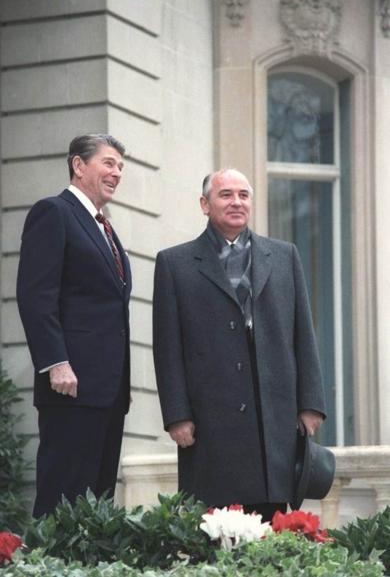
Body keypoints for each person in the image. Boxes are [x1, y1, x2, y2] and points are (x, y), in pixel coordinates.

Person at [152, 168, 326, 522]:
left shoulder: (284, 256)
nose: (236, 202)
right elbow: (167, 348)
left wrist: (311, 403)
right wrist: (176, 415)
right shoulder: (174, 264)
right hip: (209, 423)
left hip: (274, 422)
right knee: (215, 535)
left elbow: (303, 334)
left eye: (243, 195)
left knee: (271, 536)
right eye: (226, 194)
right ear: (205, 204)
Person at [17, 133, 131, 518]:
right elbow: (36, 294)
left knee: (97, 509)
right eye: (108, 163)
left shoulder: (104, 227)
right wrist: (56, 362)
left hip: (108, 392)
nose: (117, 173)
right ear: (78, 165)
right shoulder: (54, 212)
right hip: (70, 386)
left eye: (120, 166)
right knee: (61, 502)